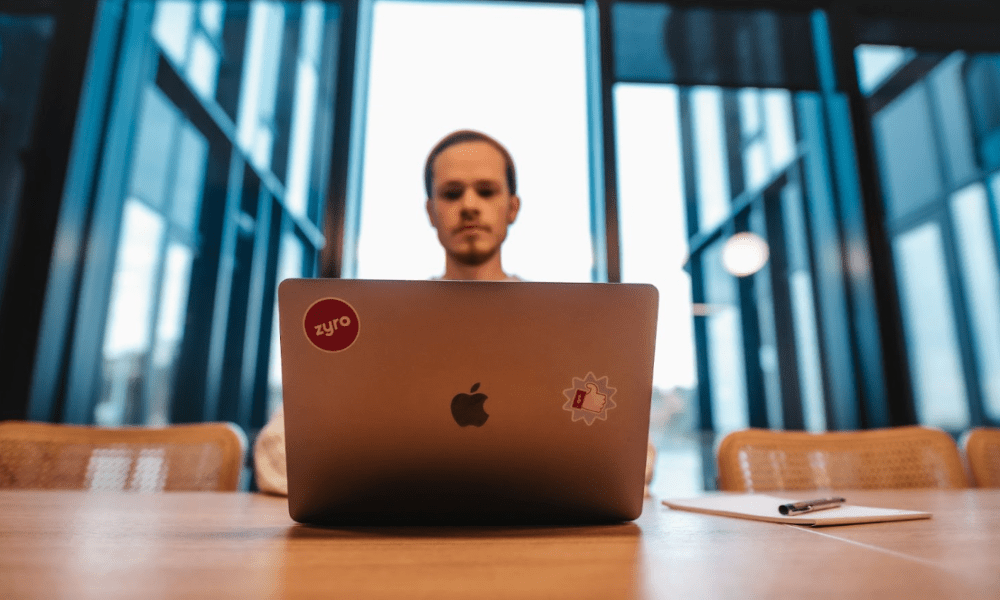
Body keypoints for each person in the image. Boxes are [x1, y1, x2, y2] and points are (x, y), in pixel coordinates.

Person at [254, 129, 656, 495]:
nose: (468, 206)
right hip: (401, 542)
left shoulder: (565, 332)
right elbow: (275, 452)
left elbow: (634, 456)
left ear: (512, 207)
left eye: (486, 191)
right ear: (430, 212)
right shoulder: (385, 328)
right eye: (451, 193)